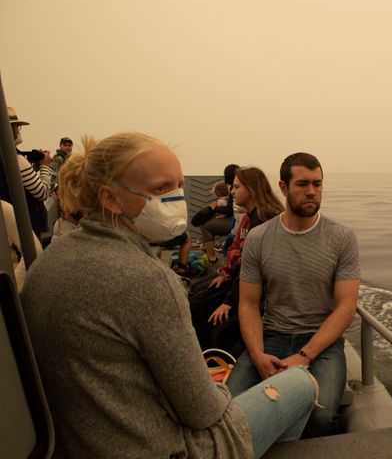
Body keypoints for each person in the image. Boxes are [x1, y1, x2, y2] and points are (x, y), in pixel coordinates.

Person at [21, 133, 318, 458]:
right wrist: (216, 389)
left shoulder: (50, 259)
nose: (177, 198)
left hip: (89, 438)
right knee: (302, 383)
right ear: (110, 198)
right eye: (161, 189)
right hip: (164, 447)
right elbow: (202, 412)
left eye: (177, 186)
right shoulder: (148, 279)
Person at [226, 152, 361, 437]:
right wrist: (257, 354)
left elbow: (346, 307)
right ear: (284, 188)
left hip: (322, 343)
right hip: (272, 336)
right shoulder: (259, 238)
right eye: (302, 184)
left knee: (321, 416)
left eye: (317, 184)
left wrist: (304, 355)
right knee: (229, 409)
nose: (312, 191)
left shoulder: (342, 238)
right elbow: (248, 303)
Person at [191, 166, 284, 353]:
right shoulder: (252, 217)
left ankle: (209, 358)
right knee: (196, 292)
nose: (232, 192)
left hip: (261, 292)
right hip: (244, 280)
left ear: (251, 189)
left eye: (236, 187)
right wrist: (226, 273)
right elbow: (244, 260)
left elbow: (252, 268)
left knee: (202, 312)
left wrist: (228, 302)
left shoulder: (265, 220)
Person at [7, 106, 52, 236]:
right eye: (16, 127)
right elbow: (42, 193)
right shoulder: (17, 159)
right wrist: (45, 166)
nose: (17, 131)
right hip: (25, 228)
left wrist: (32, 170)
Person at [201, 164, 237, 263]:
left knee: (205, 226)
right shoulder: (239, 186)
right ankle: (209, 250)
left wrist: (214, 208)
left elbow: (229, 210)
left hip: (234, 222)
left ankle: (211, 257)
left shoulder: (233, 188)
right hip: (235, 219)